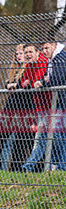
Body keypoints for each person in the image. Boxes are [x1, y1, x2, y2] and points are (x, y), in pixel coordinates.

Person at [0, 45, 27, 170]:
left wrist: (15, 85)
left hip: (24, 107)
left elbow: (23, 83)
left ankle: (16, 170)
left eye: (21, 53)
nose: (19, 56)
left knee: (20, 142)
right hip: (11, 106)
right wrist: (11, 84)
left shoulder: (29, 68)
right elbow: (8, 83)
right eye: (17, 54)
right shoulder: (14, 70)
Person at [20, 43, 50, 172]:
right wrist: (24, 83)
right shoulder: (29, 65)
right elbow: (23, 80)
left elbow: (37, 80)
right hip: (39, 106)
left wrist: (29, 83)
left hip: (49, 106)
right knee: (43, 139)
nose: (28, 55)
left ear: (37, 52)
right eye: (26, 52)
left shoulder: (43, 61)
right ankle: (33, 167)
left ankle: (29, 166)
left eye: (30, 52)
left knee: (42, 139)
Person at [43, 40, 66, 170]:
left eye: (47, 48)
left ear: (54, 46)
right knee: (58, 134)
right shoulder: (52, 61)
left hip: (63, 102)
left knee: (59, 133)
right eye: (43, 49)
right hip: (59, 103)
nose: (45, 51)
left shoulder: (60, 58)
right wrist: (44, 81)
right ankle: (57, 163)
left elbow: (56, 79)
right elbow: (47, 77)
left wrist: (46, 81)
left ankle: (61, 166)